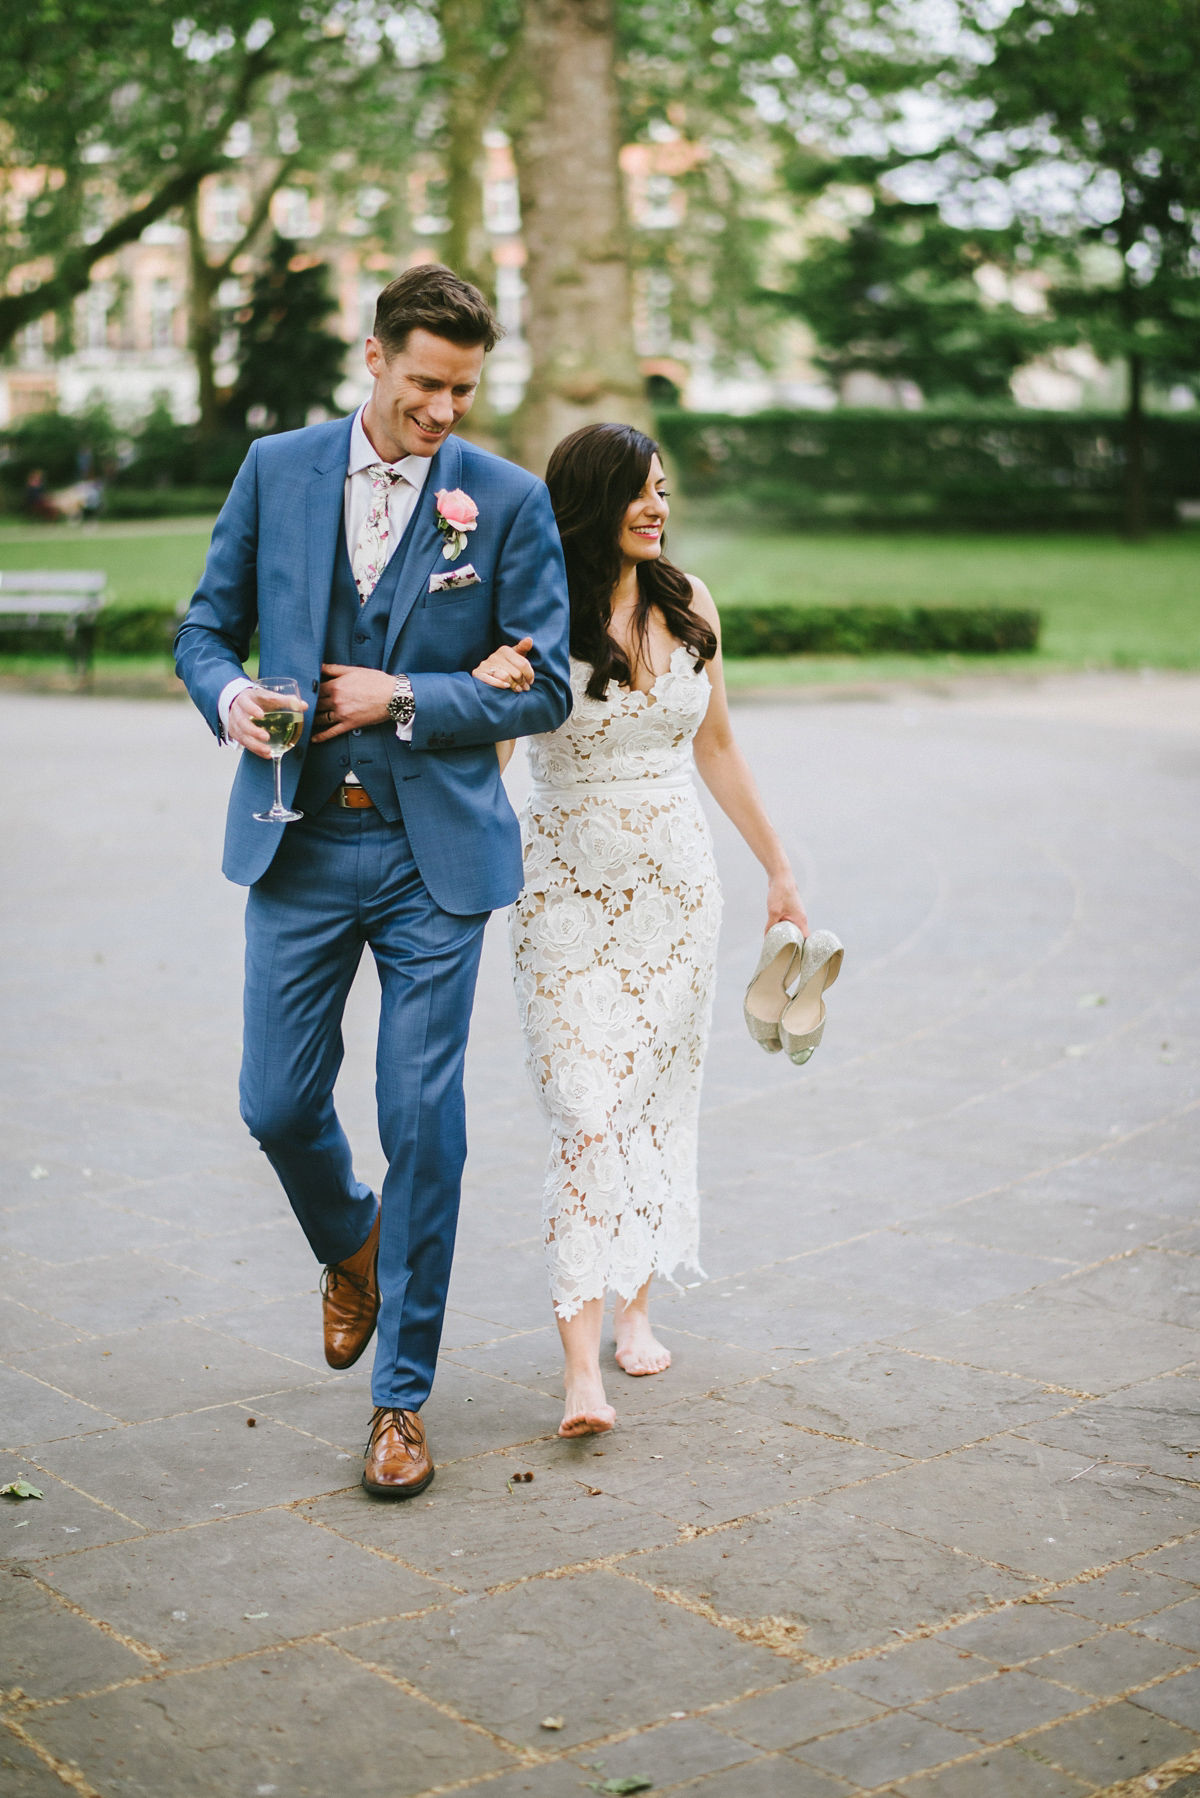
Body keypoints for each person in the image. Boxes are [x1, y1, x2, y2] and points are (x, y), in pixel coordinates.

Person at [174, 265, 572, 1497]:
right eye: (425, 383)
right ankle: (352, 1241)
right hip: (295, 838)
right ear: (372, 359)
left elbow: (549, 681)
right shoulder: (275, 470)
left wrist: (405, 695)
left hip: (432, 860)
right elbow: (203, 629)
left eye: (464, 389)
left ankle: (401, 1400)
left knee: (422, 1120)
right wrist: (232, 696)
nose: (444, 410)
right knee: (275, 1104)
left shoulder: (503, 502)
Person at [505, 423, 808, 1437]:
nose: (658, 506)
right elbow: (492, 750)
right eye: (638, 490)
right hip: (561, 894)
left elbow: (717, 743)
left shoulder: (689, 602)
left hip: (678, 894)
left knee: (652, 1103)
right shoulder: (536, 608)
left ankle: (637, 1304)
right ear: (590, 501)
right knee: (585, 1110)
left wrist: (777, 867)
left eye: (665, 489)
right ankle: (579, 1372)